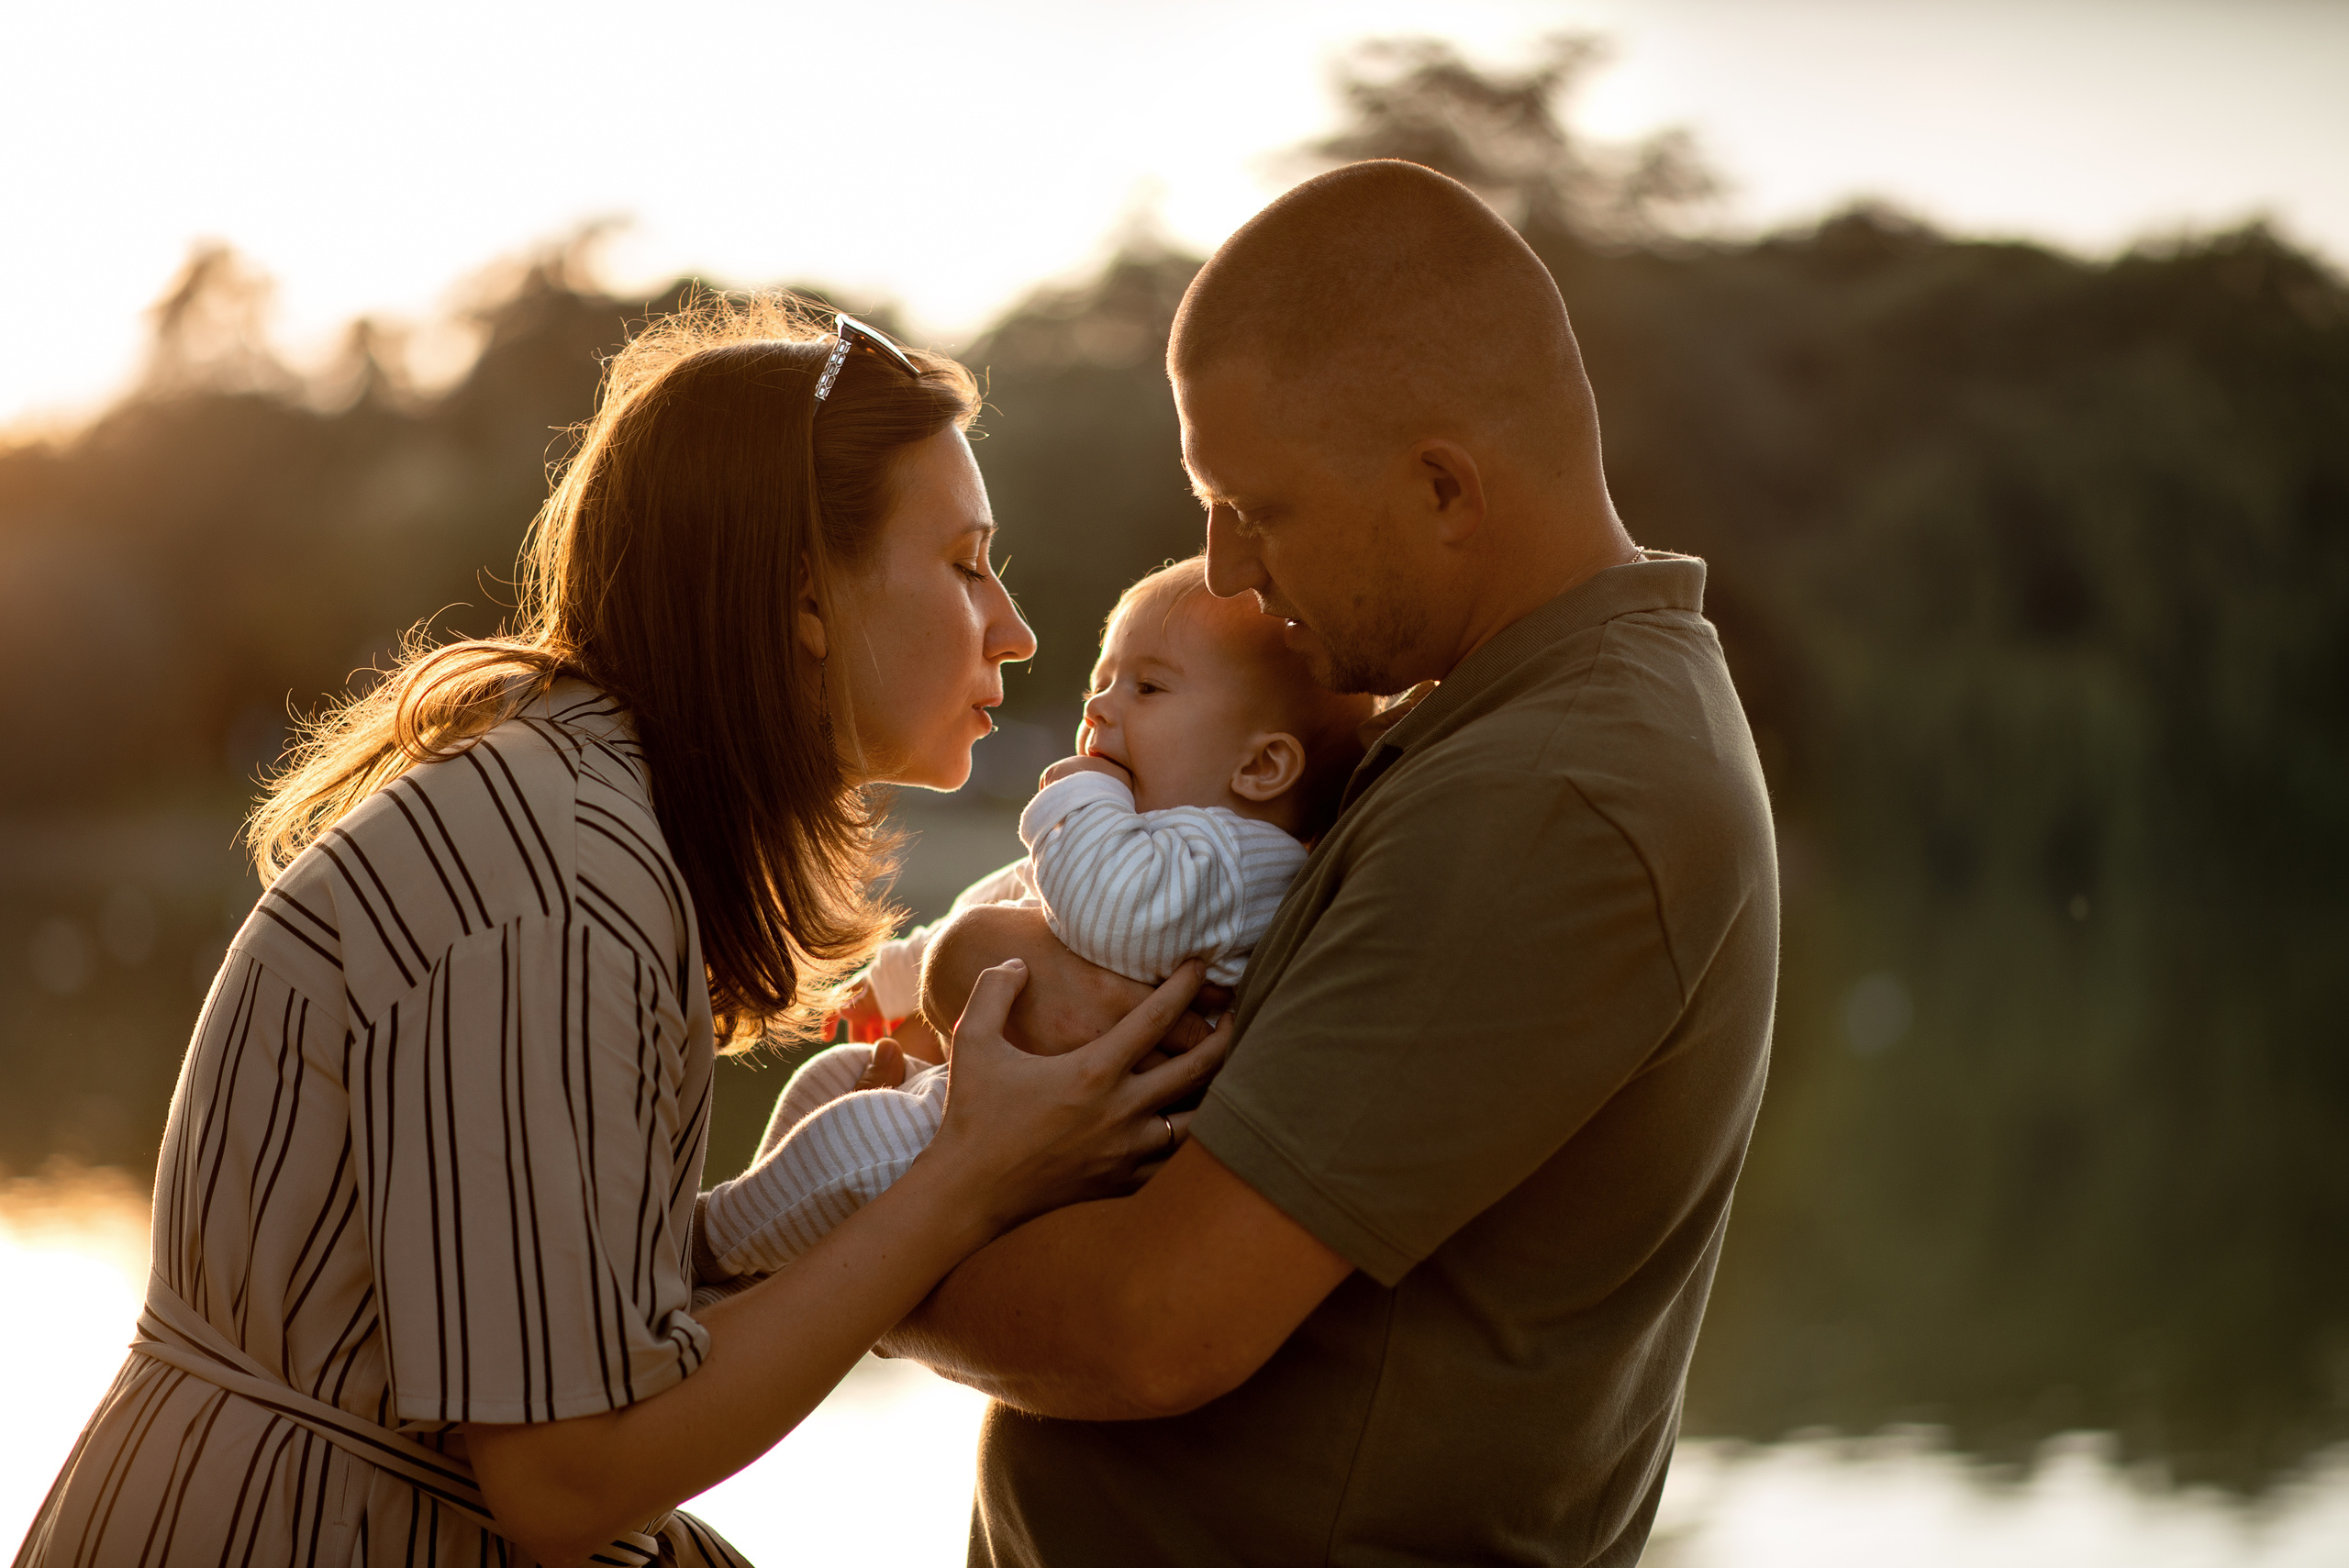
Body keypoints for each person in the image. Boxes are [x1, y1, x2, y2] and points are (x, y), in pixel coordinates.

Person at [11, 299, 1225, 1568]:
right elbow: (565, 1475)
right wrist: (967, 1176)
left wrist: (828, 1175)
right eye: (967, 562)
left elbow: (571, 1320)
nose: (1015, 628)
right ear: (806, 592)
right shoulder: (560, 877)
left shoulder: (592, 819)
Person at [889, 161, 1781, 1567]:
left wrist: (856, 1265)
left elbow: (1151, 1324)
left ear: (1443, 488)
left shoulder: (1555, 788)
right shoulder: (1479, 716)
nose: (1229, 569)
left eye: (1262, 508)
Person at [694, 555, 1374, 1278]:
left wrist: (1078, 794)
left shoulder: (1241, 861)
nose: (1100, 707)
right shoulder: (1144, 839)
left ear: (1262, 767)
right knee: (836, 1078)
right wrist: (894, 982)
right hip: (1005, 1099)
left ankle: (710, 1248)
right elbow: (1012, 897)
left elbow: (1102, 908)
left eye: (1147, 687)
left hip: (1055, 1139)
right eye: (1100, 682)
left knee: (856, 1139)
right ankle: (756, 1266)